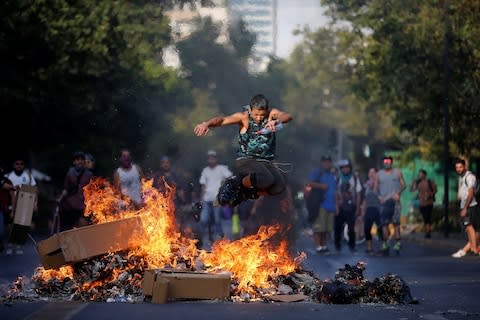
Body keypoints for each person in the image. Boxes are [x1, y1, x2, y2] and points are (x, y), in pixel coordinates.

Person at [193, 94, 293, 208]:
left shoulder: (272, 114)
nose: (259, 118)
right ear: (250, 110)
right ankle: (235, 182)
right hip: (246, 161)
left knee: (279, 187)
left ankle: (246, 193)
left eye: (262, 115)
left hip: (266, 162)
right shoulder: (243, 117)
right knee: (267, 178)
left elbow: (287, 116)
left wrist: (276, 121)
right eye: (256, 114)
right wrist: (207, 124)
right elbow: (222, 120)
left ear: (266, 110)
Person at [198, 150, 232, 249]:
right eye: (209, 158)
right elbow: (203, 186)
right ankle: (208, 237)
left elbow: (230, 178)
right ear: (208, 159)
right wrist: (201, 199)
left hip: (217, 200)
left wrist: (224, 189)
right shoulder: (205, 170)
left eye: (213, 158)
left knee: (217, 220)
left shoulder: (222, 169)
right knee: (204, 219)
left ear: (216, 159)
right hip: (207, 199)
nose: (211, 160)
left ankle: (220, 240)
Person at [5, 157, 37, 255]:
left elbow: (34, 189)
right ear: (14, 165)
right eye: (17, 163)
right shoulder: (8, 176)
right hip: (10, 203)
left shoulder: (28, 177)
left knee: (21, 225)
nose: (19, 166)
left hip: (24, 204)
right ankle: (10, 244)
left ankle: (18, 244)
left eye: (21, 164)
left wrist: (35, 203)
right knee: (10, 224)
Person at [305, 155, 337, 254]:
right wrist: (321, 186)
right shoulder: (318, 172)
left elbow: (335, 190)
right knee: (319, 227)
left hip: (331, 205)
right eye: (325, 161)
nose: (327, 163)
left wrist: (337, 204)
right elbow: (309, 183)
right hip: (321, 204)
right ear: (322, 163)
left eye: (328, 161)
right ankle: (318, 246)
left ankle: (324, 246)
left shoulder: (333, 174)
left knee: (327, 228)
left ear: (331, 163)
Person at [376, 155, 406, 256]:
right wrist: (379, 197)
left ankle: (398, 243)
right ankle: (385, 244)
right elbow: (375, 189)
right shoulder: (379, 174)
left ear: (391, 162)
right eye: (385, 161)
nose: (386, 162)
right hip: (384, 202)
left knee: (396, 223)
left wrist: (398, 193)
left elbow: (403, 185)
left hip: (395, 202)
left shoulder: (397, 172)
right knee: (384, 224)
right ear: (383, 162)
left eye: (388, 161)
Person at [58, 151, 93, 231]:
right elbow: (65, 188)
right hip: (70, 206)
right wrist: (60, 199)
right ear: (74, 162)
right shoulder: (70, 173)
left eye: (81, 159)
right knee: (70, 229)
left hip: (83, 206)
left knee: (82, 228)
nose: (79, 162)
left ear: (84, 161)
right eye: (77, 159)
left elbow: (92, 191)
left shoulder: (89, 174)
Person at [451, 158, 479, 258]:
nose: (458, 169)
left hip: (470, 206)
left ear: (465, 166)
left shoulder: (469, 177)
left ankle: (474, 248)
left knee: (469, 227)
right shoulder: (462, 177)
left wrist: (465, 208)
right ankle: (473, 247)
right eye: (457, 168)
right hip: (465, 205)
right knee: (470, 228)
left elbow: (471, 193)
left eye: (460, 167)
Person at [334, 159, 362, 253]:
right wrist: (336, 207)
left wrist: (358, 208)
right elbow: (336, 194)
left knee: (351, 228)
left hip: (351, 207)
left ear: (350, 168)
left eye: (347, 167)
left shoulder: (354, 178)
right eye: (343, 168)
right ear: (341, 169)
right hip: (341, 207)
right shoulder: (337, 178)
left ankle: (352, 246)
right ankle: (337, 245)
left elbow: (358, 194)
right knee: (338, 228)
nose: (345, 169)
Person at [410, 169, 437, 238]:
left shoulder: (429, 182)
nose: (420, 176)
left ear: (424, 175)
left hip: (429, 202)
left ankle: (428, 231)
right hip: (422, 203)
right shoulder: (418, 182)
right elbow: (412, 189)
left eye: (421, 174)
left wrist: (429, 195)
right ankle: (427, 230)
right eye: (419, 174)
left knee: (428, 216)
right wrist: (413, 183)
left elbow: (435, 190)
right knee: (425, 217)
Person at [362, 168, 382, 254]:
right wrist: (362, 210)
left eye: (373, 172)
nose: (371, 174)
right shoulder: (366, 185)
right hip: (369, 209)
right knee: (367, 229)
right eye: (370, 172)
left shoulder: (380, 184)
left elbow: (376, 192)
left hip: (378, 209)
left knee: (380, 229)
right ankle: (369, 248)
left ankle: (382, 247)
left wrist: (376, 181)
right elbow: (364, 199)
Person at [0, 168, 15, 253]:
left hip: (4, 208)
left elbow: (12, 196)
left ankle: (6, 242)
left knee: (4, 229)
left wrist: (13, 210)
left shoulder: (7, 181)